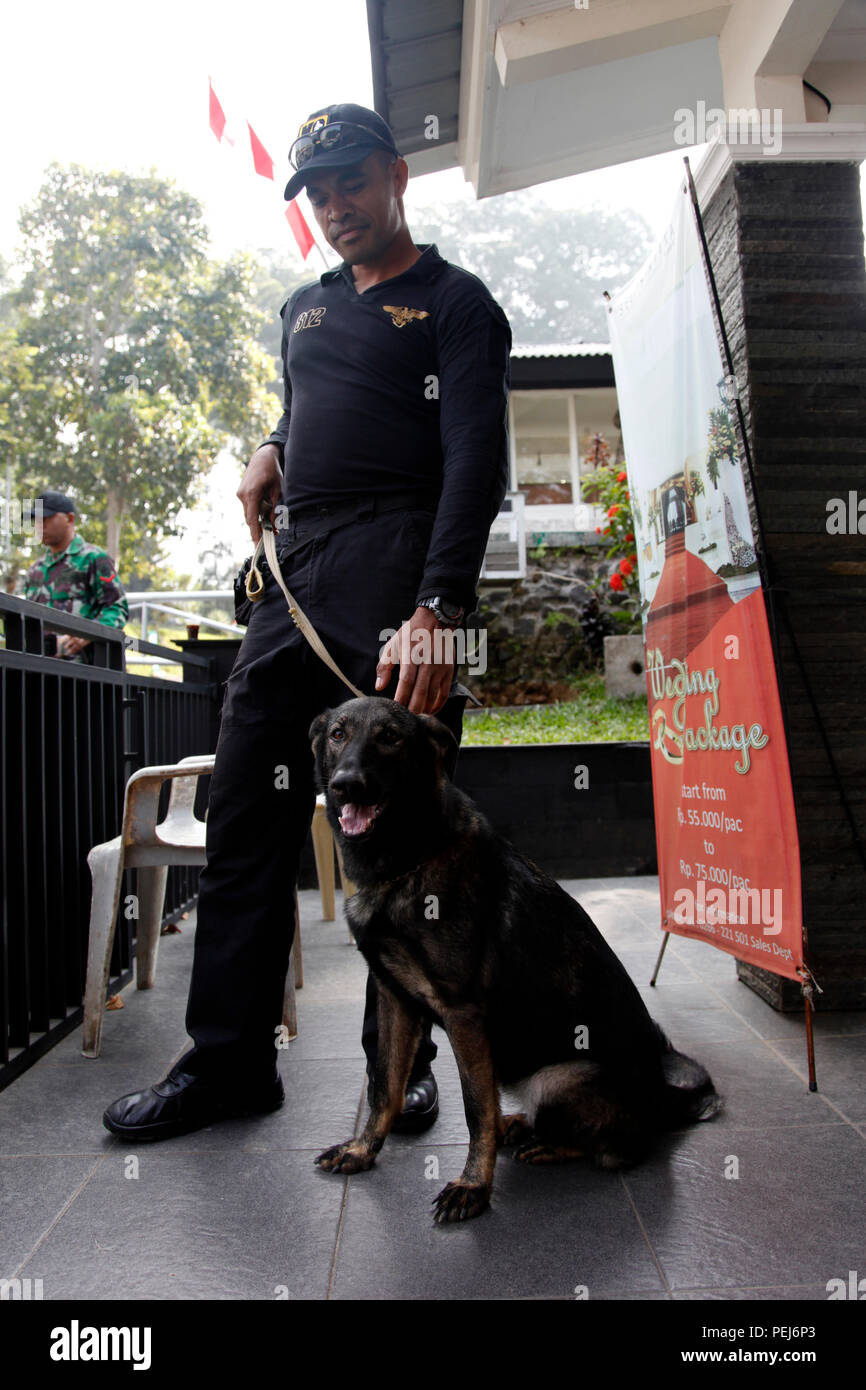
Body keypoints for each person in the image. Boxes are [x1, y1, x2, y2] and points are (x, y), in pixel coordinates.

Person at [103, 103, 511, 1142]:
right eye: (316, 192)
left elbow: (474, 461)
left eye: (349, 182)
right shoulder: (303, 307)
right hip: (293, 579)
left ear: (395, 176)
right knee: (245, 816)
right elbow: (303, 409)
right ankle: (231, 1059)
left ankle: (407, 1064)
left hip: (399, 567)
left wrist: (437, 608)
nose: (334, 205)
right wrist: (267, 447)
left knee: (411, 845)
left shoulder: (455, 306)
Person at [23, 491, 128, 657]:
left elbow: (117, 608)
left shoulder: (93, 559)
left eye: (46, 518)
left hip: (83, 670)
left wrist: (87, 634)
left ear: (70, 519)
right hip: (39, 669)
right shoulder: (35, 570)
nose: (39, 525)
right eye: (35, 520)